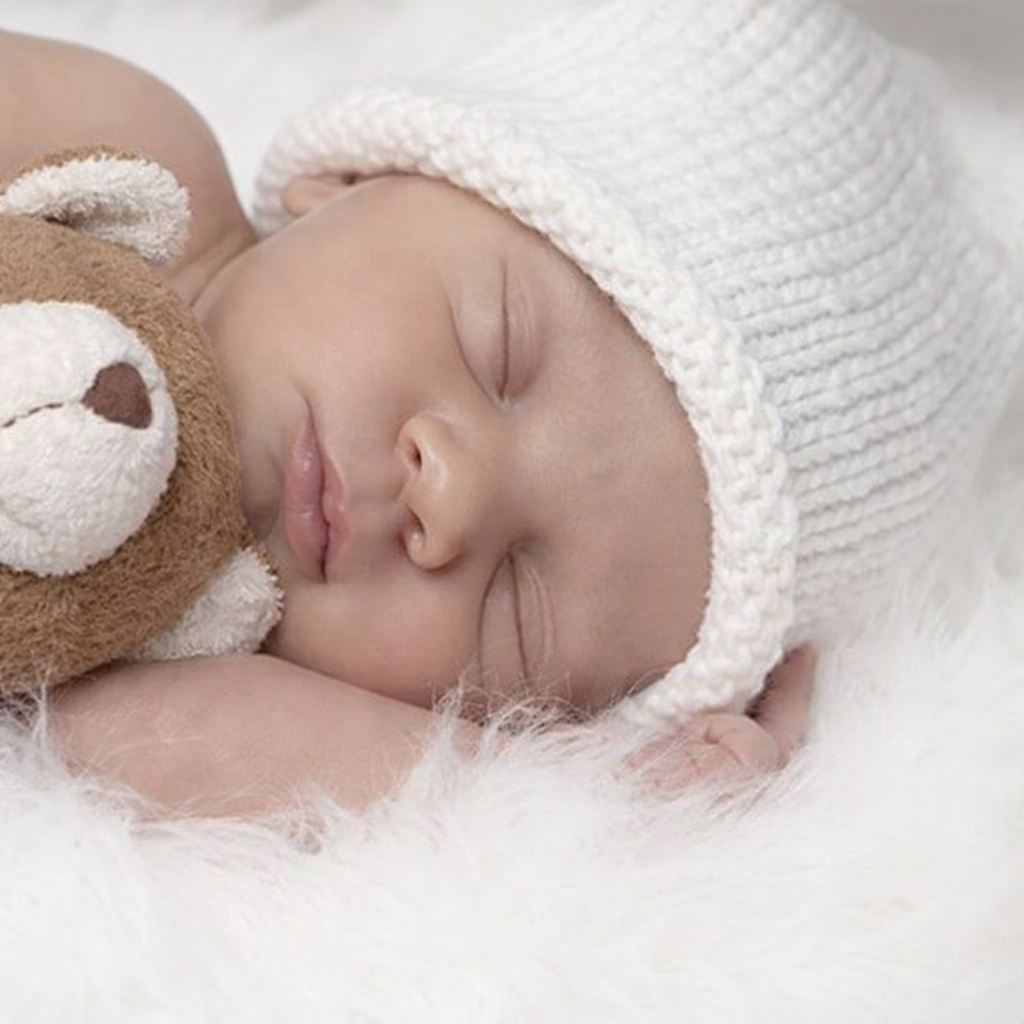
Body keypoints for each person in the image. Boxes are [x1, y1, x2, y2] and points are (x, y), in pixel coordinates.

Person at [4, 0, 1021, 816]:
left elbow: (97, 739)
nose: (448, 494)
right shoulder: (121, 162)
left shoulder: (192, 661)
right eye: (498, 347)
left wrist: (588, 793)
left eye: (517, 606)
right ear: (352, 178)